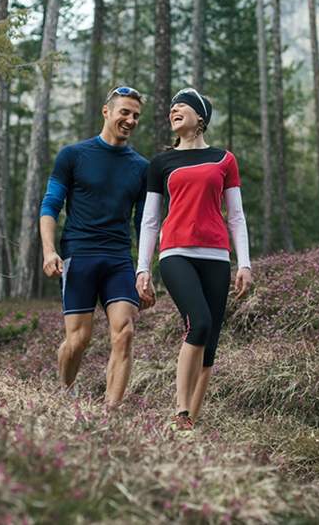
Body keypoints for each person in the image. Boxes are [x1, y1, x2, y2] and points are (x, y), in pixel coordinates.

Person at [135, 87, 253, 433]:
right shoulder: (161, 163)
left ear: (200, 117)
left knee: (211, 342)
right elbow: (151, 220)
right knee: (198, 323)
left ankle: (190, 425)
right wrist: (143, 268)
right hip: (175, 253)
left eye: (181, 105)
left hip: (216, 255)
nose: (174, 109)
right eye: (171, 107)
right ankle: (181, 410)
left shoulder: (224, 159)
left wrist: (243, 262)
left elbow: (236, 216)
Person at [39, 86, 151, 408]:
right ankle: (64, 394)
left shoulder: (141, 168)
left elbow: (145, 224)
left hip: (118, 259)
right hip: (79, 254)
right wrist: (49, 251)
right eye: (124, 112)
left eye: (136, 116)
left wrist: (145, 271)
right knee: (78, 339)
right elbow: (50, 207)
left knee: (125, 332)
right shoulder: (73, 156)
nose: (130, 120)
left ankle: (109, 414)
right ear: (107, 111)